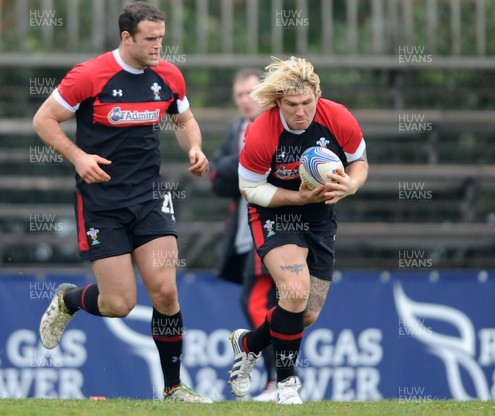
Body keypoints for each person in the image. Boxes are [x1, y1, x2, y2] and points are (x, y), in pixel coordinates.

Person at [32, 2, 211, 403]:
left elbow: (184, 120)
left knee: (165, 290)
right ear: (126, 37)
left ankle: (173, 389)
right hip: (102, 202)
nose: (158, 47)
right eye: (150, 40)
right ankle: (69, 300)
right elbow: (43, 119)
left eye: (162, 38)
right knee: (119, 303)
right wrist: (79, 157)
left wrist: (195, 149)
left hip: (149, 196)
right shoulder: (90, 75)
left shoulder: (167, 75)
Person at [227, 56, 368, 404]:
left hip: (320, 218)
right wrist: (296, 196)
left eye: (307, 102)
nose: (301, 111)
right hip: (275, 213)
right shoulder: (261, 130)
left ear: (317, 94)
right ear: (278, 103)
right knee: (293, 290)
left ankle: (249, 344)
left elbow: (359, 162)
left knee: (305, 314)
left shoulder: (338, 117)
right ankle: (286, 386)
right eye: (292, 105)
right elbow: (250, 189)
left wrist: (350, 186)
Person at [210, 68, 279, 401]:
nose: (245, 101)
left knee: (256, 301)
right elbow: (215, 178)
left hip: (272, 229)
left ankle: (279, 379)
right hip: (244, 233)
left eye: (251, 93)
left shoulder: (276, 125)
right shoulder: (237, 128)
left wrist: (237, 164)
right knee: (265, 304)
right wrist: (241, 162)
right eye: (238, 95)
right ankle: (280, 380)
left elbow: (268, 167)